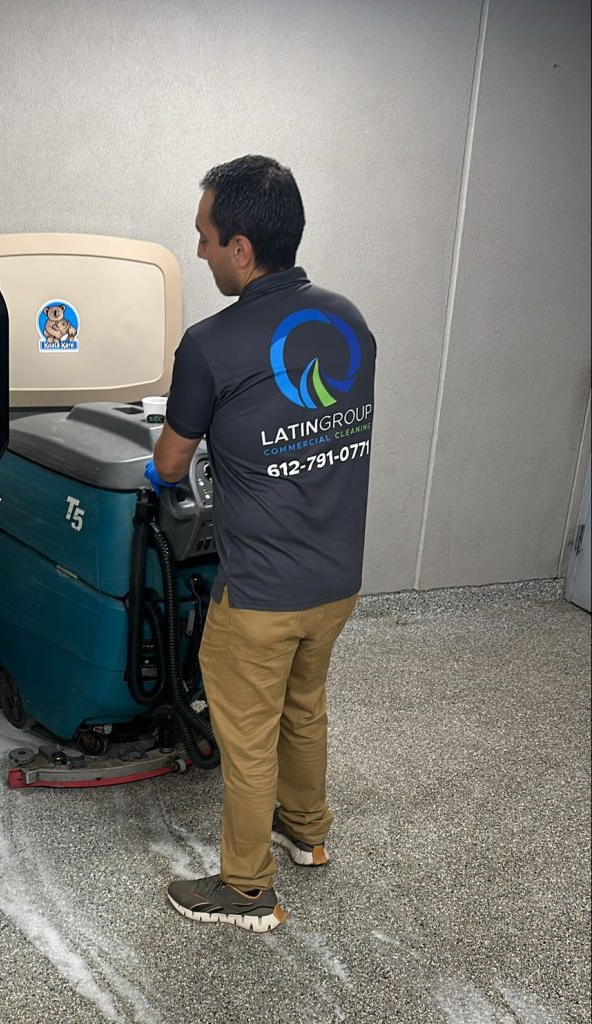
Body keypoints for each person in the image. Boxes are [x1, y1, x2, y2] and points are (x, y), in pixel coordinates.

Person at [145, 155, 376, 932]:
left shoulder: (211, 345)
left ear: (241, 247)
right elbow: (312, 428)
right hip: (336, 578)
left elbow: (170, 462)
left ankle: (246, 890)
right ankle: (308, 835)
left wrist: (182, 438)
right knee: (304, 707)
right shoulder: (349, 322)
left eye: (206, 237)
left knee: (246, 736)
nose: (201, 250)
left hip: (261, 591)